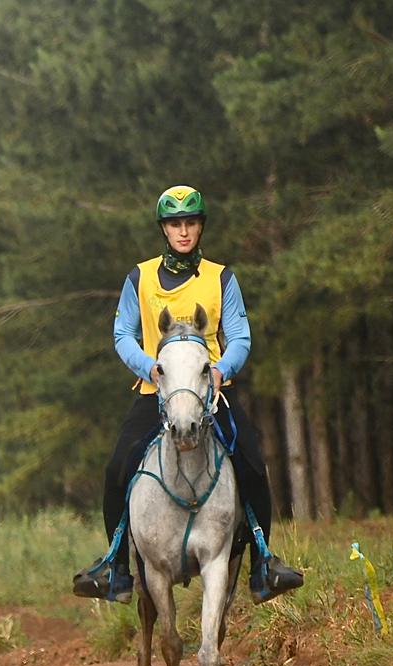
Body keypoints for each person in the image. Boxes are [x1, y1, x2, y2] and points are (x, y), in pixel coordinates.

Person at [72, 185, 303, 604]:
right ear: (164, 228)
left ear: (200, 227)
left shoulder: (221, 278)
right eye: (175, 223)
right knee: (117, 468)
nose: (183, 231)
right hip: (155, 392)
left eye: (190, 223)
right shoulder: (139, 278)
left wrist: (220, 371)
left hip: (211, 394)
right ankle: (117, 568)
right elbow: (122, 333)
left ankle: (263, 565)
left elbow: (240, 336)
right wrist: (150, 368)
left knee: (252, 462)